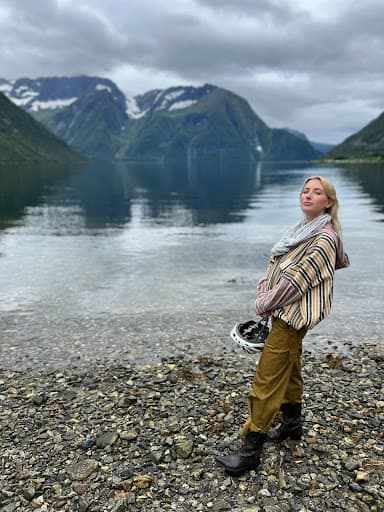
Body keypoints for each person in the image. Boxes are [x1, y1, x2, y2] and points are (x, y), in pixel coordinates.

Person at [215, 175, 349, 477]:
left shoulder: (325, 239)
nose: (308, 195)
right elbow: (276, 264)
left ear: (328, 202)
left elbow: (296, 283)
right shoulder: (301, 230)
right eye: (305, 190)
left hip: (291, 316)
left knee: (267, 379)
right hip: (283, 313)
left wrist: (263, 303)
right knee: (290, 365)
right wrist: (265, 288)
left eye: (317, 192)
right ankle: (291, 425)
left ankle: (250, 451)